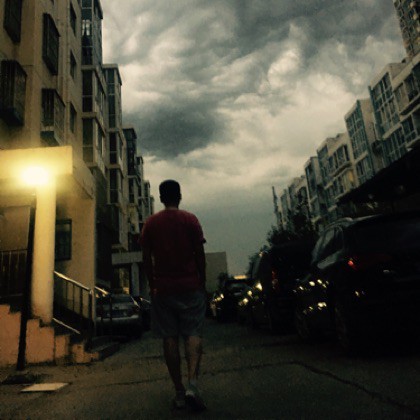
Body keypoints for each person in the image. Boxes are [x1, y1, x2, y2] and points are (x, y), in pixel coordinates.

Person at [140, 179, 207, 411]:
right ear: (179, 196)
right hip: (190, 286)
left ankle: (179, 391)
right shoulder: (190, 220)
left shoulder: (151, 223)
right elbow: (200, 253)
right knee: (193, 333)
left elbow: (146, 258)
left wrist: (153, 284)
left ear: (160, 198)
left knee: (169, 337)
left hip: (163, 289)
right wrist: (202, 281)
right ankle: (192, 384)